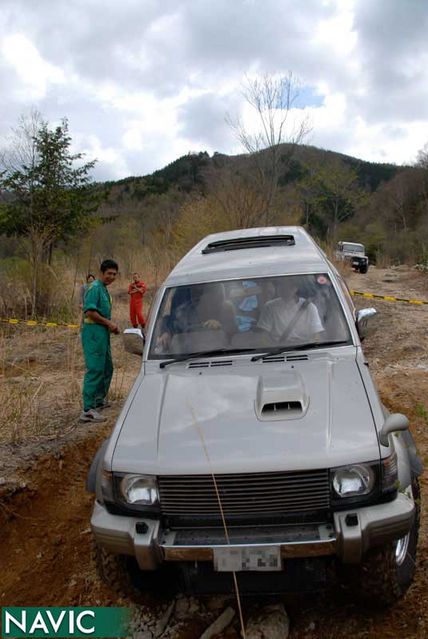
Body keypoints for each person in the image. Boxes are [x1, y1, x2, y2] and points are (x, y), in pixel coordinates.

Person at [80, 259, 120, 423]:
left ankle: (98, 401)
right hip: (93, 333)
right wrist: (109, 323)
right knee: (95, 369)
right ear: (102, 273)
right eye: (109, 273)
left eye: (114, 274)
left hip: (102, 333)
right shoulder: (94, 288)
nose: (111, 277)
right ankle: (88, 409)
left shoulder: (103, 289)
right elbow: (89, 311)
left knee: (106, 367)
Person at [257, 276, 324, 345]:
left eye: (289, 286)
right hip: (277, 348)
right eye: (281, 285)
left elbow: (316, 335)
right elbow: (263, 335)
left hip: (304, 347)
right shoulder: (270, 307)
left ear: (296, 288)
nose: (285, 289)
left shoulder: (309, 307)